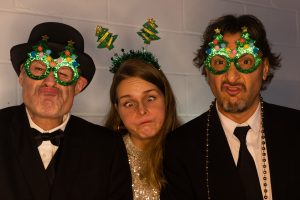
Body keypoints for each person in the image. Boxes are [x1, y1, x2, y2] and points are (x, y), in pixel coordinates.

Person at [160, 14, 300, 200]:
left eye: (245, 62)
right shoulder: (181, 147)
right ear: (207, 71)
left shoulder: (296, 129)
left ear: (264, 68)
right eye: (219, 62)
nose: (232, 77)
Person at [0, 22, 132, 200]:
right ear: (22, 75)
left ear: (78, 85)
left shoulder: (108, 147)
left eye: (63, 73)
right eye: (39, 68)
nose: (50, 81)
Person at [105, 51, 181, 200]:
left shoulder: (190, 152)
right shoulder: (102, 157)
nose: (141, 110)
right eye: (129, 103)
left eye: (150, 98)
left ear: (166, 99)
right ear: (117, 109)